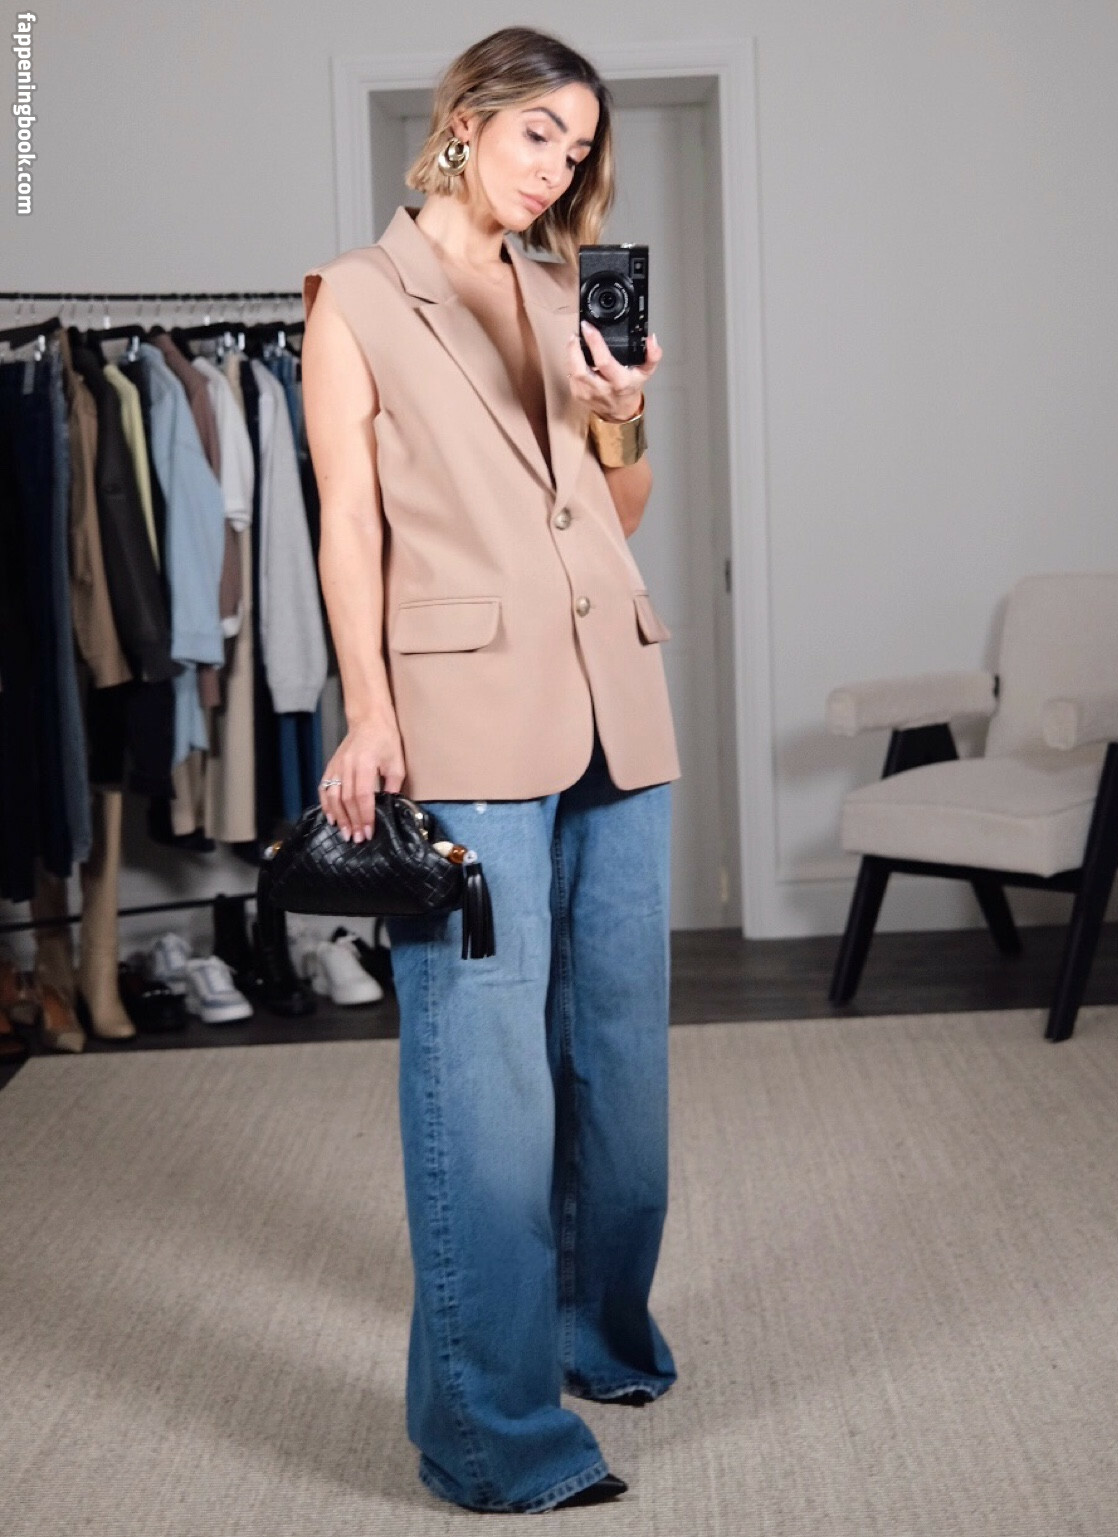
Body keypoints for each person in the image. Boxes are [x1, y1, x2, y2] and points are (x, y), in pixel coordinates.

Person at [300, 25, 681, 1515]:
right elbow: (348, 526)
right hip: (463, 719)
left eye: (578, 153)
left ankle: (596, 1333)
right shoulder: (355, 297)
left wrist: (622, 405)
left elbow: (616, 512)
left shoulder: (566, 292)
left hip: (615, 706)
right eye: (540, 137)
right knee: (488, 1085)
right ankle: (489, 1429)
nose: (558, 173)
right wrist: (367, 710)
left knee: (621, 1074)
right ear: (465, 119)